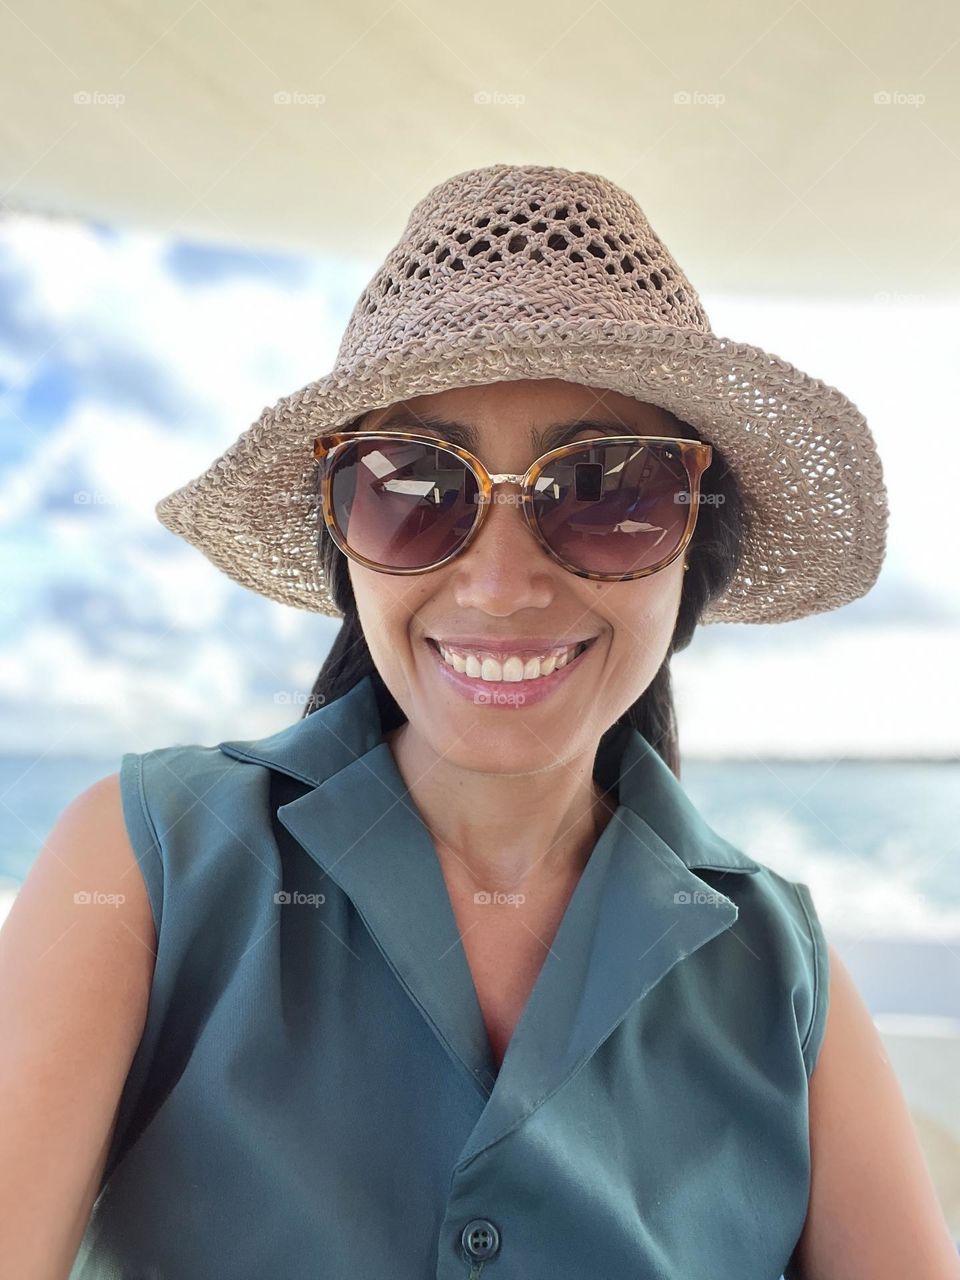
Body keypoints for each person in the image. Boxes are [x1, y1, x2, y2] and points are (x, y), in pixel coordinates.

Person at [2, 163, 957, 1279]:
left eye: (607, 490)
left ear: (694, 545)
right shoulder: (144, 860)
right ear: (344, 538)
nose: (500, 585)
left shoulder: (781, 968)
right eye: (413, 482)